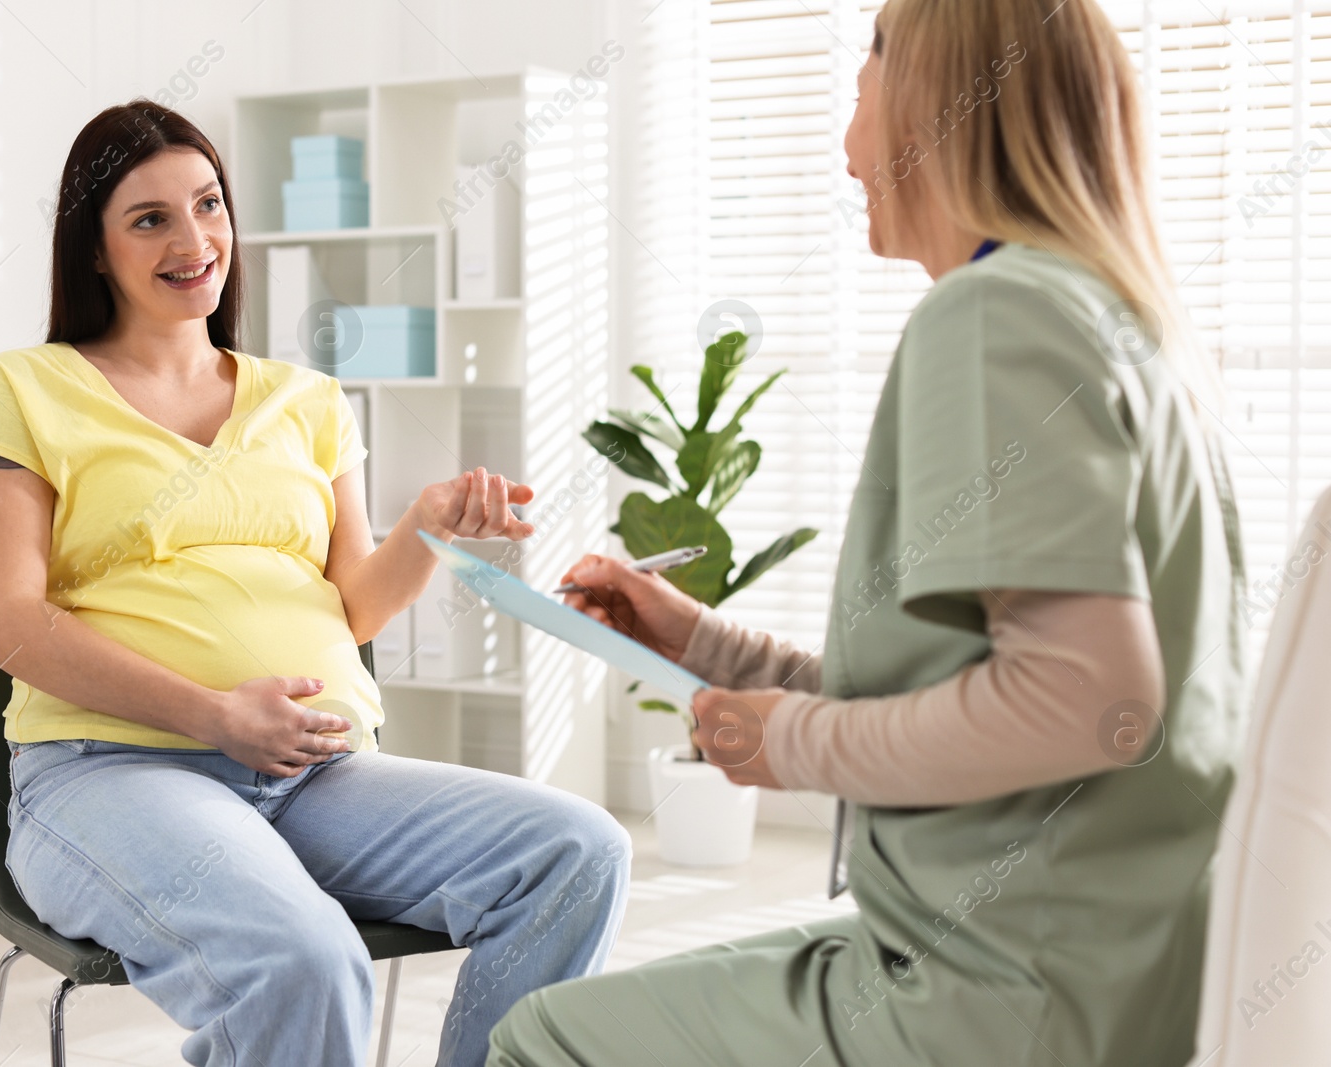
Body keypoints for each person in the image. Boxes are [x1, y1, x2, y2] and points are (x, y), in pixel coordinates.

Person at [487, 0, 1247, 1063]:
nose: (845, 145)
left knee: (536, 1037)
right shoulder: (1124, 324)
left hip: (1005, 996)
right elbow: (984, 677)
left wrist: (786, 744)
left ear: (934, 104)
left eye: (862, 77)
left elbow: (1089, 702)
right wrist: (702, 644)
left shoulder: (995, 315)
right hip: (1115, 969)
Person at [0, 99, 630, 1067]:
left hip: (314, 774)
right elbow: (3, 618)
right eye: (150, 219)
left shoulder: (304, 400)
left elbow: (354, 605)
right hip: (106, 775)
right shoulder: (24, 389)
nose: (195, 240)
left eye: (209, 204)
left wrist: (428, 527)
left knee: (577, 855)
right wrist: (215, 713)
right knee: (307, 961)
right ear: (92, 250)